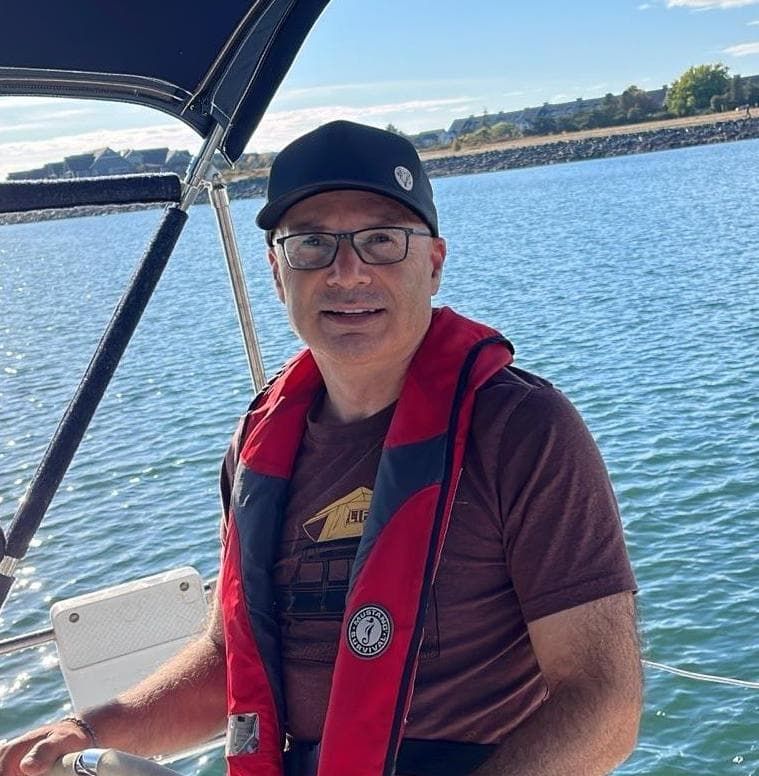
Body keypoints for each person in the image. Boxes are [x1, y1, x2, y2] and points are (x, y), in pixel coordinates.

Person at [0, 121, 642, 776]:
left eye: (382, 240)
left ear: (434, 263)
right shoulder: (255, 447)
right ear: (277, 273)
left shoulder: (523, 429)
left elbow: (602, 702)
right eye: (311, 244)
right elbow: (229, 664)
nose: (346, 271)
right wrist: (79, 730)